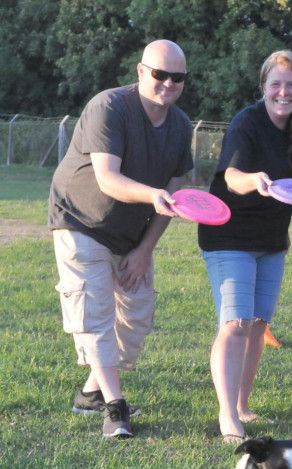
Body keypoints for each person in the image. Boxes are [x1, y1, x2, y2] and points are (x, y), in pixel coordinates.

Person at [49, 40, 192, 439]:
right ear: (140, 70)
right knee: (94, 310)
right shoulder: (109, 106)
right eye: (159, 74)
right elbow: (107, 178)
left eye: (177, 77)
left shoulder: (180, 126)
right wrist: (152, 196)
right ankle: (115, 406)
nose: (167, 83)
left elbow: (176, 191)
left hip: (131, 235)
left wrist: (144, 249)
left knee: (135, 318)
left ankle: (90, 393)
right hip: (80, 220)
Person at [198, 51, 292, 443]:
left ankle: (243, 403)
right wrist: (256, 180)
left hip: (271, 239)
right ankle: (227, 414)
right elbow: (230, 176)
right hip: (229, 233)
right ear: (264, 87)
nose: (283, 92)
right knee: (235, 323)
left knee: (258, 325)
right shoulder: (247, 122)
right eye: (276, 84)